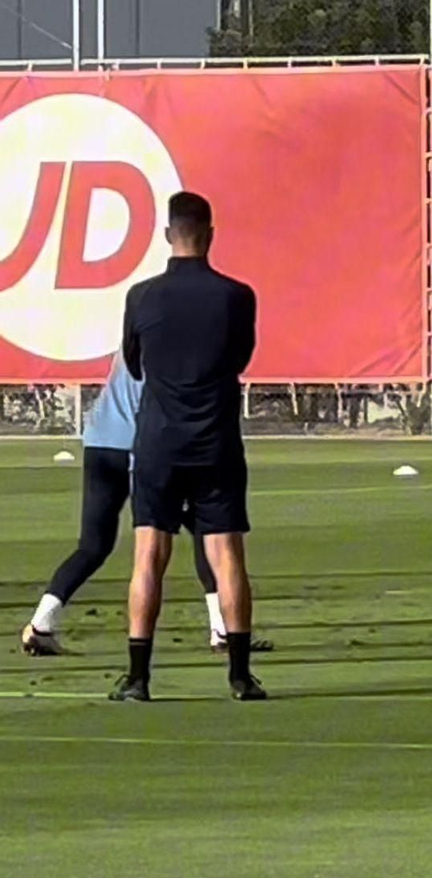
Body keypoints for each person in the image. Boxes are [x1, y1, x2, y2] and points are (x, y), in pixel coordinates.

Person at [114, 191, 264, 701]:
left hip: (158, 440)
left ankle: (138, 678)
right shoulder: (236, 295)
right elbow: (240, 357)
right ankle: (240, 676)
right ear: (211, 235)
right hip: (216, 440)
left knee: (149, 555)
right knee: (227, 556)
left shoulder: (142, 296)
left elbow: (135, 363)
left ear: (166, 236)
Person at [20, 354, 272, 657]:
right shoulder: (173, 348)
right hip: (145, 449)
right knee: (208, 532)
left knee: (92, 546)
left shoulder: (137, 337)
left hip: (100, 443)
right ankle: (221, 628)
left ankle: (40, 624)